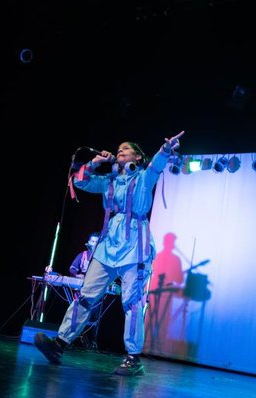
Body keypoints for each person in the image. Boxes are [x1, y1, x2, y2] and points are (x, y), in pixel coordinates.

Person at [34, 130, 185, 376]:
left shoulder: (144, 178)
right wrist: (95, 162)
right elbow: (80, 181)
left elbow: (157, 166)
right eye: (119, 148)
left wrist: (165, 150)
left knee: (132, 303)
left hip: (135, 246)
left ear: (137, 156)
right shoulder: (110, 181)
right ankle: (59, 344)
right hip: (108, 245)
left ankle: (133, 358)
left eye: (126, 148)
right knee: (85, 296)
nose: (120, 151)